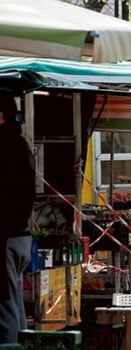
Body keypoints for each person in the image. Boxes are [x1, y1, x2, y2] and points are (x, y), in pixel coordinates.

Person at [0, 94, 35, 344]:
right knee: (15, 302)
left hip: (6, 236)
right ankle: (23, 345)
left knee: (4, 307)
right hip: (20, 236)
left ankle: (12, 346)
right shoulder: (19, 144)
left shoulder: (3, 145)